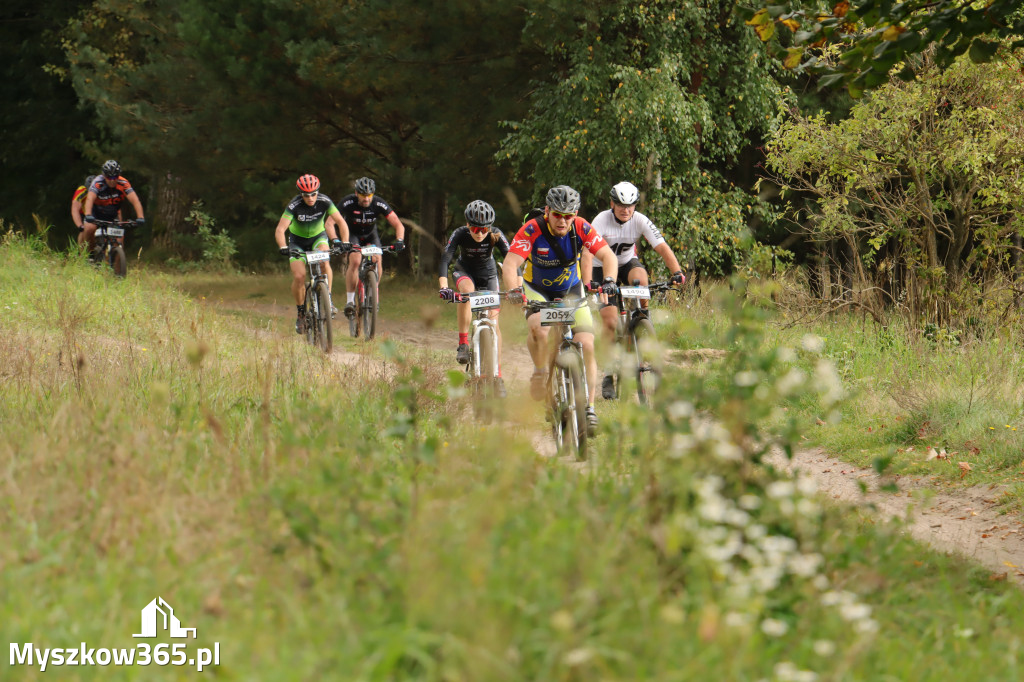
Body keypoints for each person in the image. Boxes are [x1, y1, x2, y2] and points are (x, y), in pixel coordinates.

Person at [501, 185, 619, 434]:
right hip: (537, 289)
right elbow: (511, 263)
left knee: (587, 344)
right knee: (539, 332)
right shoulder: (532, 229)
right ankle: (540, 371)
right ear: (547, 212)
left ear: (574, 215)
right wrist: (514, 290)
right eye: (557, 215)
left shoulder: (581, 227)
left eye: (568, 215)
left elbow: (608, 256)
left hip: (571, 291)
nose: (563, 221)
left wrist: (609, 279)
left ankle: (589, 407)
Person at [581, 181, 686, 400]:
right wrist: (588, 281)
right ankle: (609, 373)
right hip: (602, 270)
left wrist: (677, 271)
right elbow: (588, 253)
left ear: (635, 205)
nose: (625, 209)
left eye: (630, 205)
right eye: (620, 204)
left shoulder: (640, 220)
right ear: (612, 203)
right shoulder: (601, 220)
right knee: (609, 321)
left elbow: (661, 246)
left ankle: (640, 322)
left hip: (628, 263)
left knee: (642, 280)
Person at [438, 200, 510, 396]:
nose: (480, 233)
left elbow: (511, 259)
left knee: (495, 324)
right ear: (468, 225)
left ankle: (498, 374)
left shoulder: (496, 234)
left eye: (484, 229)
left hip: (488, 274)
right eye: (475, 228)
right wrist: (444, 287)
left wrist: (517, 288)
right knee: (467, 294)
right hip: (465, 271)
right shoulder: (460, 233)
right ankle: (463, 343)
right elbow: (446, 257)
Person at [272, 174, 350, 334]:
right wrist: (283, 246)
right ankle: (301, 313)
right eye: (306, 195)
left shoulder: (325, 201)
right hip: (297, 242)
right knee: (300, 276)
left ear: (318, 192)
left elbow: (341, 221)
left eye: (313, 193)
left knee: (324, 262)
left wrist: (345, 241)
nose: (310, 198)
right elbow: (280, 229)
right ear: (301, 194)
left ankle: (328, 298)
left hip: (318, 237)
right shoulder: (294, 205)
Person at [336, 177, 406, 318]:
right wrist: (339, 241)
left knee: (377, 259)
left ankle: (374, 292)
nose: (366, 199)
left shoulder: (378, 203)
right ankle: (350, 301)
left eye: (369, 195)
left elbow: (398, 224)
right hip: (352, 235)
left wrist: (399, 240)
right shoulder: (348, 202)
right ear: (356, 193)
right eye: (363, 195)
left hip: (370, 235)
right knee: (355, 260)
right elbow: (333, 220)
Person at [81, 160, 145, 250]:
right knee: (89, 228)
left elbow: (135, 200)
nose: (112, 180)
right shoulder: (98, 182)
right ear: (104, 175)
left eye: (115, 177)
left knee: (119, 241)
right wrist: (88, 214)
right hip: (96, 211)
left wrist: (140, 217)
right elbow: (90, 199)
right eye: (109, 177)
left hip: (112, 212)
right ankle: (89, 253)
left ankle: (116, 261)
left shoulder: (123, 183)